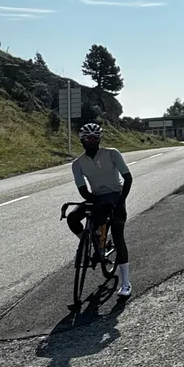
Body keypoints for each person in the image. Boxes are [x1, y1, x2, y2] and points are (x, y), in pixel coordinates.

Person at [68, 119, 133, 299]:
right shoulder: (78, 163)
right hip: (96, 196)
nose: (92, 141)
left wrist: (121, 201)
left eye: (95, 138)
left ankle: (126, 282)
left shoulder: (112, 154)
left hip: (115, 195)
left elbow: (128, 178)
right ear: (82, 141)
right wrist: (93, 201)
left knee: (118, 234)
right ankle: (89, 242)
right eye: (88, 139)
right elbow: (83, 190)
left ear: (99, 139)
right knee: (72, 218)